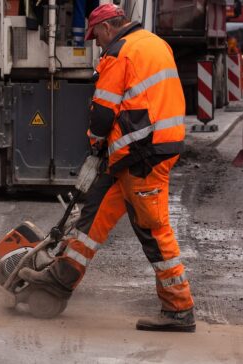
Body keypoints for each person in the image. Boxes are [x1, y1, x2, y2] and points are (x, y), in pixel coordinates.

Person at [19, 3, 195, 332]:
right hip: (138, 151)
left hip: (143, 154)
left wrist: (95, 144)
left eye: (95, 36)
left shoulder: (118, 52)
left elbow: (102, 113)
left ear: (107, 28)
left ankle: (179, 309)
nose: (95, 42)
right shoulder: (155, 43)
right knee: (93, 216)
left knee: (153, 232)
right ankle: (60, 280)